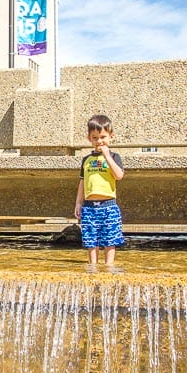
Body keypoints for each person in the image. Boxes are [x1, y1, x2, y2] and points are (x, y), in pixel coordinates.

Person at [74, 114, 125, 272]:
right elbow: (82, 182)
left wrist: (107, 156)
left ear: (111, 137)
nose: (99, 141)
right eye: (95, 138)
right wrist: (78, 202)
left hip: (108, 205)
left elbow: (119, 175)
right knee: (91, 239)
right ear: (89, 138)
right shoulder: (86, 160)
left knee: (110, 238)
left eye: (103, 137)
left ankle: (109, 265)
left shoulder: (114, 157)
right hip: (89, 207)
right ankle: (93, 266)